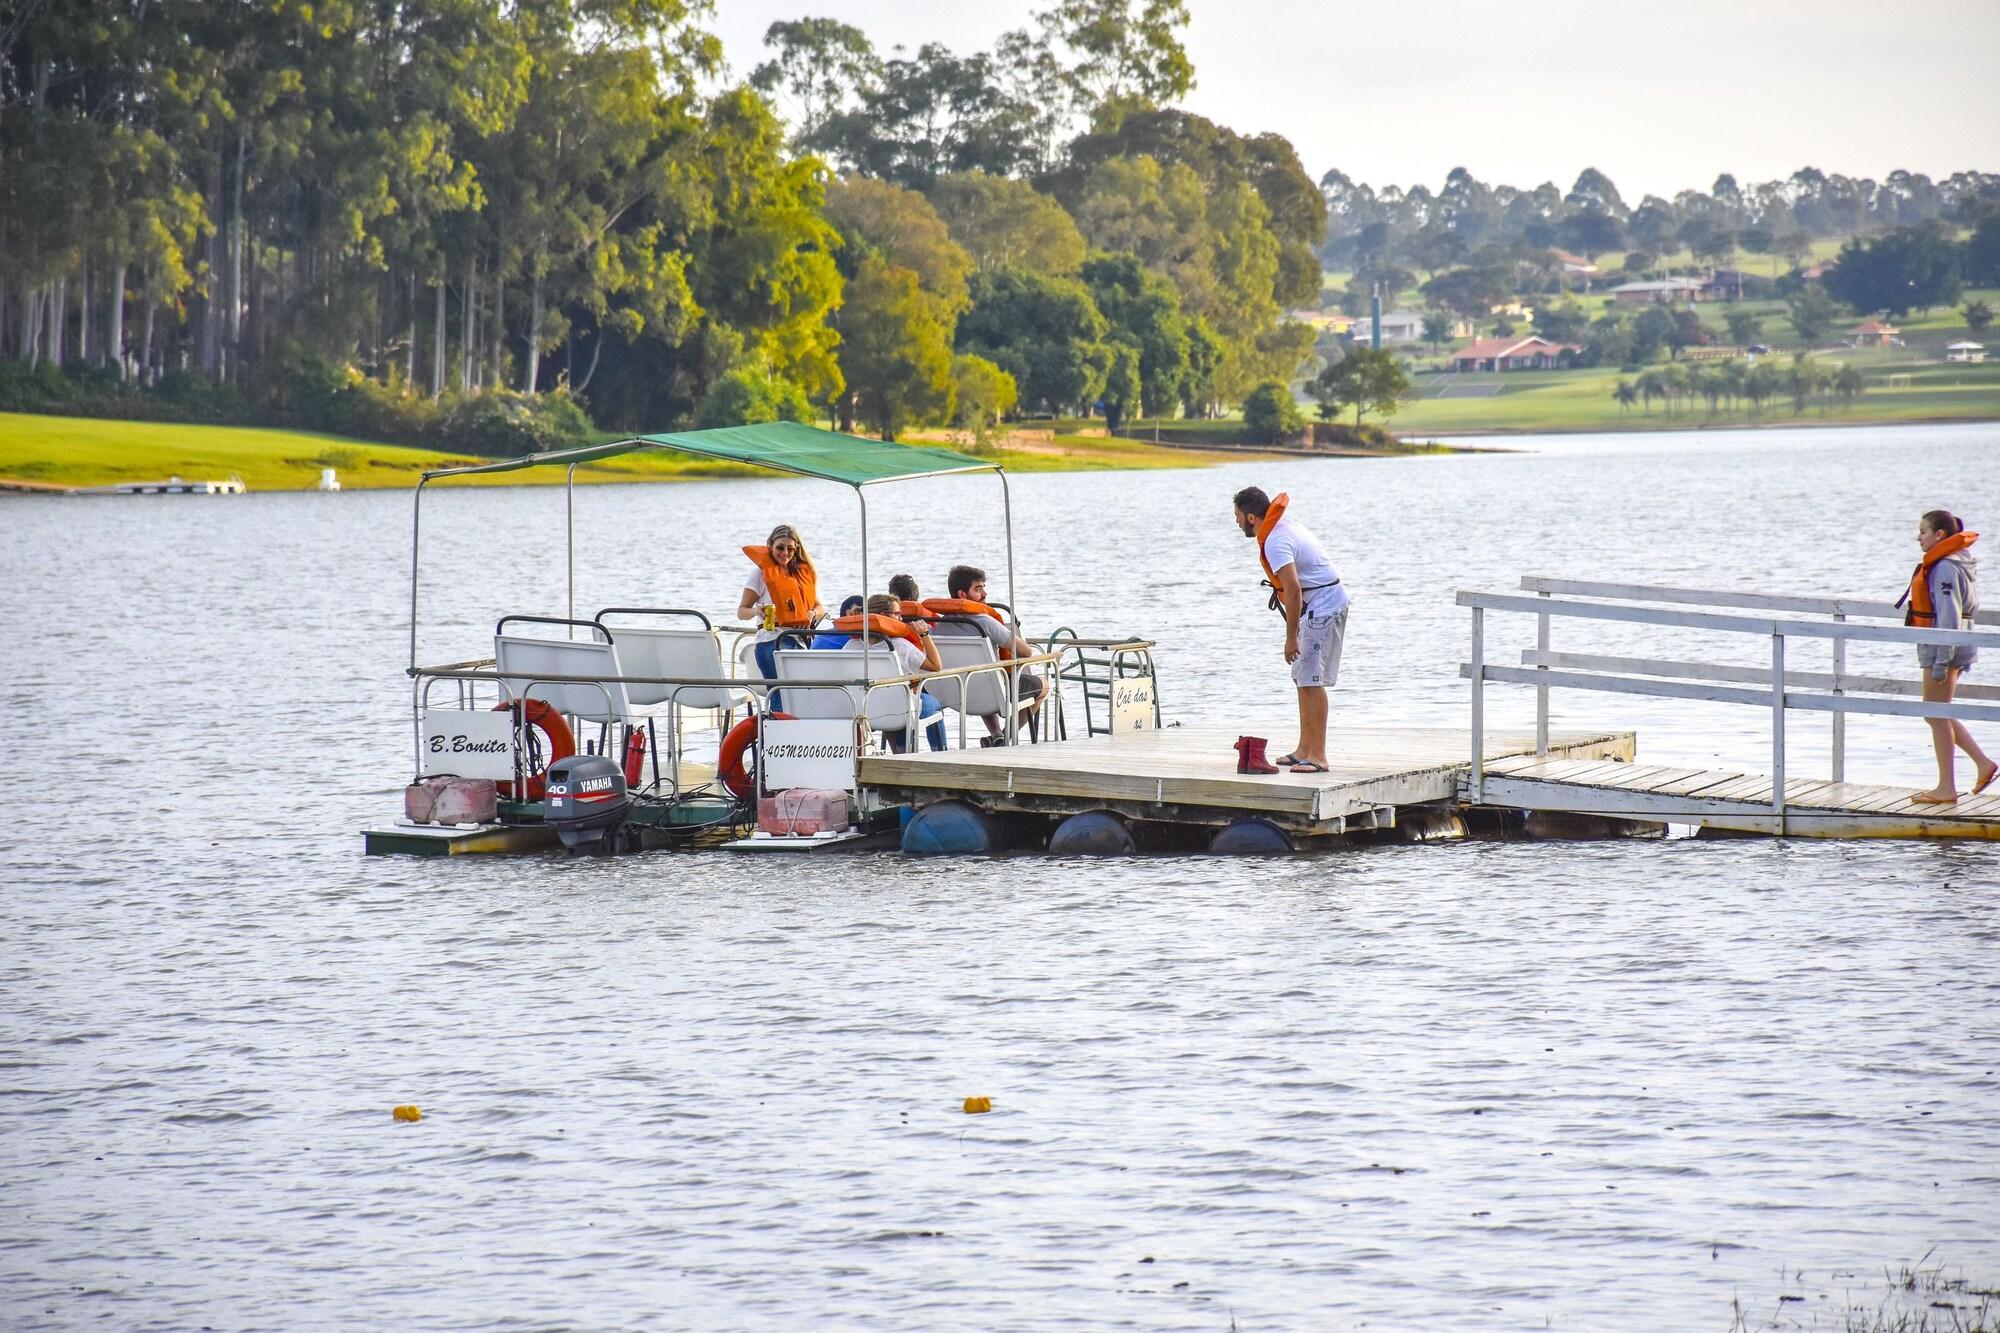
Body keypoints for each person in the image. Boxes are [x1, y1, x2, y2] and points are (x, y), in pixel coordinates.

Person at [1232, 486, 1350, 773]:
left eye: (1236, 516)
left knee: (1311, 678)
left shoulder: (1275, 540)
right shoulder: (1283, 527)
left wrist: (1289, 638)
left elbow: (1294, 591)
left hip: (1324, 606)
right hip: (1317, 605)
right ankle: (1303, 749)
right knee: (1302, 677)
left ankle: (1318, 756)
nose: (1235, 523)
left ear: (1250, 517)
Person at [1900, 508, 1994, 804]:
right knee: (1939, 712)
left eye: (1923, 532)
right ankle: (1982, 764)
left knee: (1936, 714)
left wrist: (1941, 661)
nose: (1919, 538)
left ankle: (1946, 788)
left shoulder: (1944, 568)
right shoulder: (1954, 562)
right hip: (1952, 646)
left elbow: (1950, 616)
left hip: (1945, 648)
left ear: (1939, 535)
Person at [932, 565, 1048, 745]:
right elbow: (1026, 651)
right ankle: (1006, 737)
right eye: (978, 589)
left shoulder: (936, 625)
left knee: (985, 678)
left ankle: (996, 736)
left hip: (955, 695)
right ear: (962, 595)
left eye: (984, 588)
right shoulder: (985, 622)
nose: (985, 594)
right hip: (990, 692)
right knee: (1044, 686)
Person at [839, 593, 945, 753]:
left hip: (864, 710)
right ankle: (940, 754)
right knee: (933, 705)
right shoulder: (899, 646)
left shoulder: (850, 646)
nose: (901, 619)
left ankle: (898, 753)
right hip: (898, 709)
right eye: (897, 614)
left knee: (897, 703)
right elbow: (936, 666)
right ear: (883, 616)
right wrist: (924, 634)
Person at [738, 524, 826, 686]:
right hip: (771, 641)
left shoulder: (800, 575)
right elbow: (741, 612)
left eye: (790, 549)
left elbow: (820, 607)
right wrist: (757, 611)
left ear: (796, 549)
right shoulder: (759, 574)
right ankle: (774, 712)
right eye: (780, 547)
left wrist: (811, 613)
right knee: (780, 695)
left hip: (798, 642)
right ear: (770, 546)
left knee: (799, 696)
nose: (785, 553)